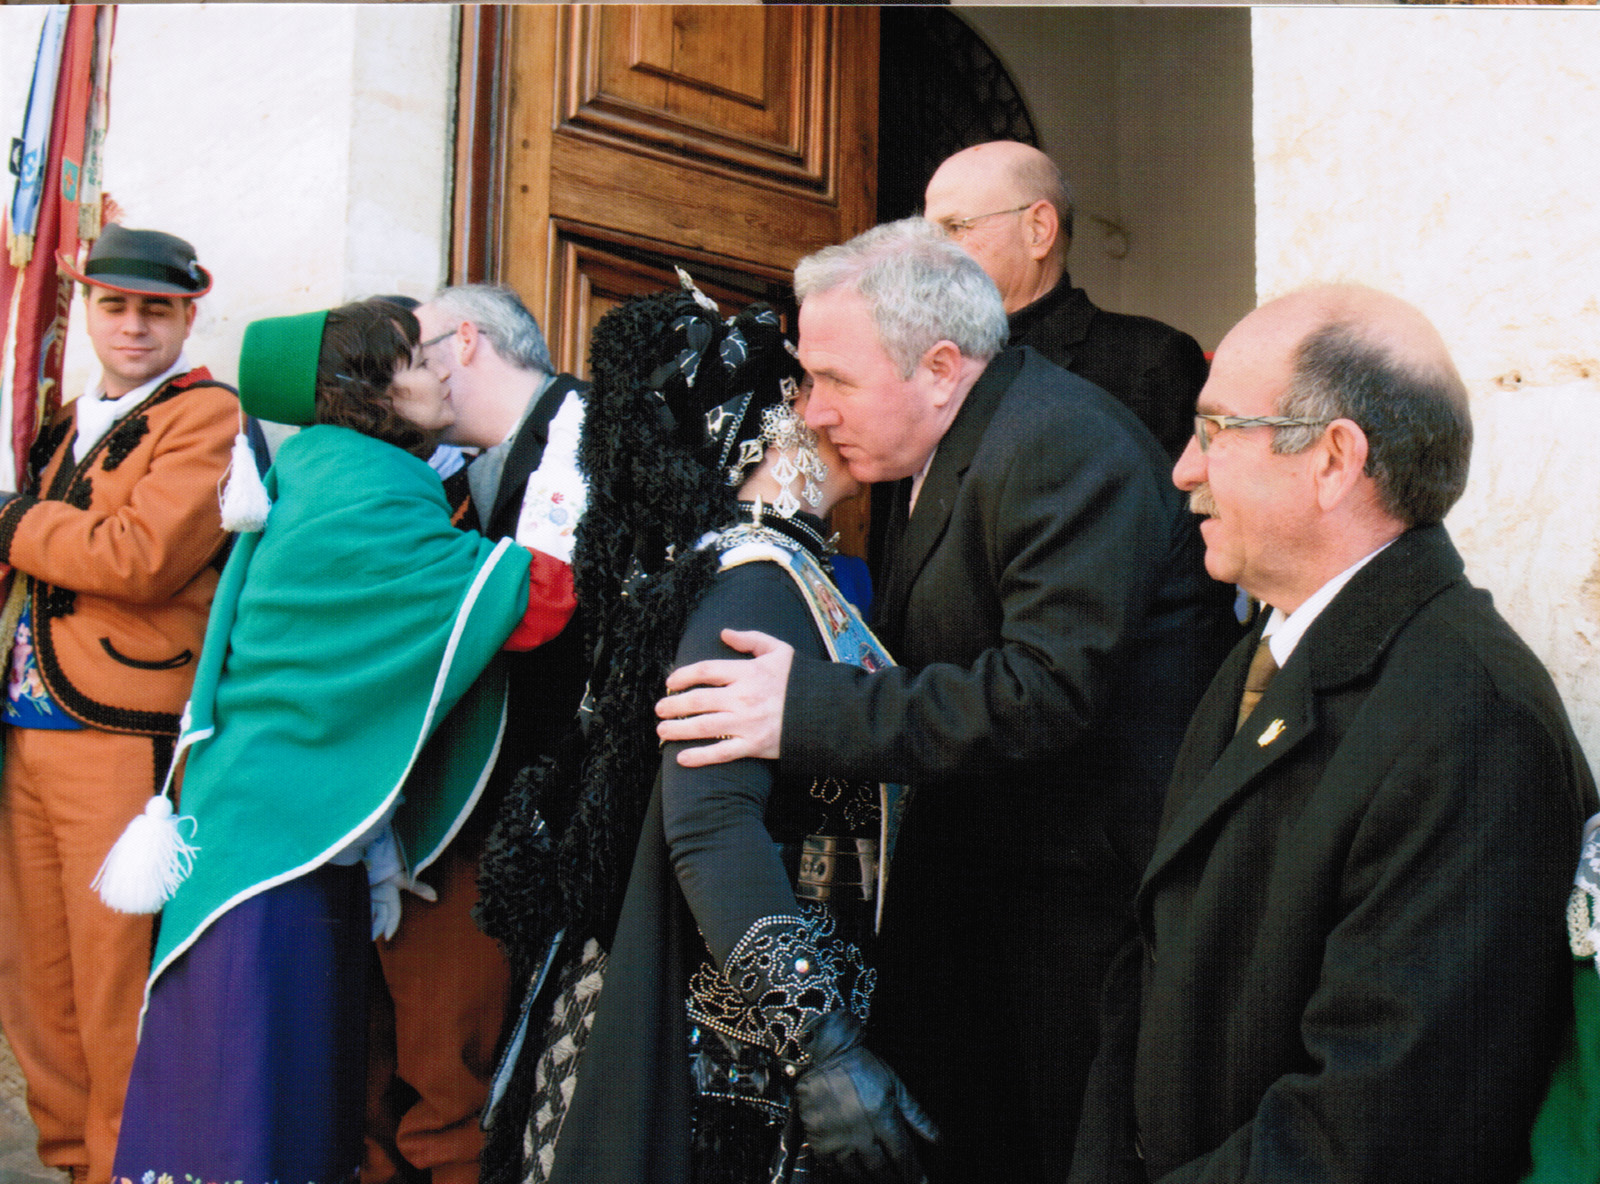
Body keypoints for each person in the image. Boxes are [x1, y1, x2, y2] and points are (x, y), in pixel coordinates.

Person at [654, 219, 1238, 1182]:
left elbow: (1041, 692)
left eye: (835, 380)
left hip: (1074, 931)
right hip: (996, 915)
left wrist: (803, 710)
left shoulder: (1058, 443)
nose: (811, 409)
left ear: (938, 368)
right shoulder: (946, 443)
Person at [1067, 284, 1598, 1184]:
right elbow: (1152, 968)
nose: (1184, 469)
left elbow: (1375, 1131)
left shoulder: (1474, 721)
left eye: (1214, 429)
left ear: (1332, 459)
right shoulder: (1269, 650)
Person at [475, 281, 934, 1184]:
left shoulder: (744, 568)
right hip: (732, 1061)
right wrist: (821, 1046)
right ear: (766, 427)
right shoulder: (756, 580)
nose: (833, 410)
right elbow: (710, 822)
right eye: (814, 388)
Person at [108, 299, 574, 1184]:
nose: (441, 373)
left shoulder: (328, 466)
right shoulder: (363, 483)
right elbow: (533, 604)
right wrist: (570, 480)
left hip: (265, 824)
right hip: (276, 848)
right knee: (257, 1099)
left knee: (265, 1089)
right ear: (372, 389)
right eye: (418, 360)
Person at [0, 224, 236, 1184]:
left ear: (188, 315)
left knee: (112, 981)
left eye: (156, 309)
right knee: (34, 982)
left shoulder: (206, 414)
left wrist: (11, 516)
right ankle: (71, 1163)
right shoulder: (65, 418)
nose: (134, 325)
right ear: (87, 310)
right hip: (26, 725)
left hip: (118, 733)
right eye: (115, 304)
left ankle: (122, 1168)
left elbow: (139, 558)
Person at [359, 284, 589, 1184]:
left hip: (518, 825)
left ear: (461, 343)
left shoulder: (589, 437)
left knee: (463, 1088)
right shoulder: (441, 468)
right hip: (429, 814)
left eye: (410, 356)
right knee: (388, 1073)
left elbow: (550, 624)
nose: (396, 381)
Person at [923, 140, 1207, 459]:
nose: (930, 254)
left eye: (955, 228)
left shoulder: (1147, 360)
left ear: (1038, 230)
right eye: (928, 236)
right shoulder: (925, 359)